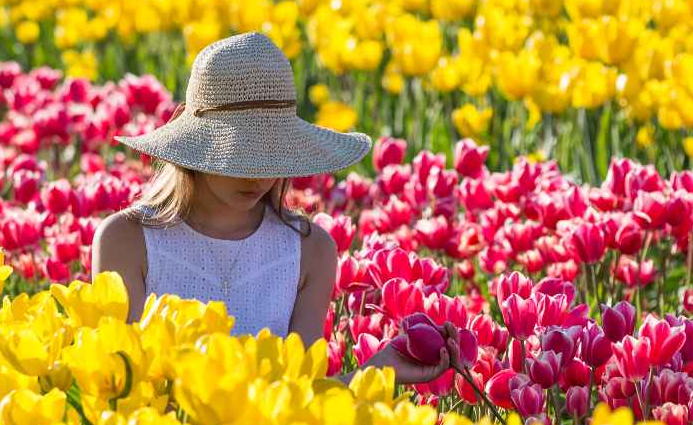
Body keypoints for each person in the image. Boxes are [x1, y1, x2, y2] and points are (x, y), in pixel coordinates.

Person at [93, 32, 447, 385]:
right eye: (240, 153)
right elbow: (123, 390)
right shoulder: (127, 241)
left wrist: (380, 373)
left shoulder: (310, 251)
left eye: (272, 153)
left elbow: (299, 397)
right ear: (194, 142)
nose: (259, 175)